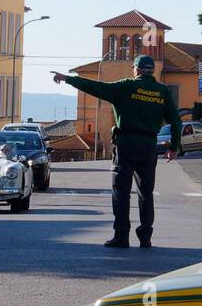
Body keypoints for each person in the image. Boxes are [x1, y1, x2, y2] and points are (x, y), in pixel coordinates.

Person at [52, 56, 183, 249]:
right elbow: (177, 122)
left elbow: (96, 87)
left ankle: (121, 236)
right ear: (152, 71)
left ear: (136, 70)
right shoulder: (162, 92)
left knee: (121, 193)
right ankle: (145, 237)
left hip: (125, 145)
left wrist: (67, 79)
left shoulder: (125, 86)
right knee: (146, 193)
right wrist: (173, 147)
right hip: (148, 147)